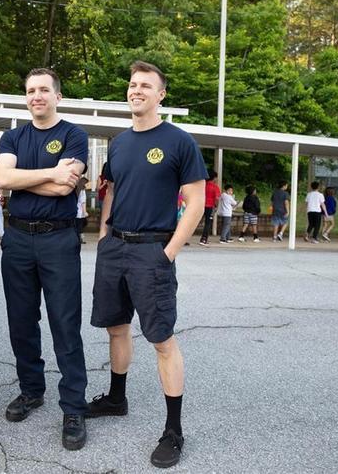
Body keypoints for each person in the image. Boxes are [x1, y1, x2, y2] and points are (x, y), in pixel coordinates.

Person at [86, 61, 206, 469]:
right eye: (133, 85)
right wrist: (104, 234)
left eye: (145, 86)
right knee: (116, 327)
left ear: (161, 95)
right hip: (114, 248)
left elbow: (196, 203)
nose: (136, 90)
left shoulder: (178, 142)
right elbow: (112, 190)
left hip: (152, 251)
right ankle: (116, 398)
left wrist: (168, 252)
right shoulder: (118, 143)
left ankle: (174, 430)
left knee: (161, 340)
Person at [0, 68, 89, 451]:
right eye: (31, 90)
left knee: (65, 324)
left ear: (57, 96)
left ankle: (73, 407)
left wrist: (23, 178)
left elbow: (68, 185)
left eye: (44, 90)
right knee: (21, 322)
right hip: (17, 239)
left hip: (58, 239)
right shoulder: (13, 136)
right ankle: (32, 390)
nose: (37, 96)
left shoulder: (73, 135)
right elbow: (2, 178)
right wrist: (50, 175)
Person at [198, 170, 220, 246]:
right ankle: (204, 239)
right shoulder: (215, 187)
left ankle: (185, 238)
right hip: (210, 207)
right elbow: (217, 198)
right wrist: (216, 206)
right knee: (208, 223)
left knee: (195, 222)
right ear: (214, 178)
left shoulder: (203, 185)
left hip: (201, 205)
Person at [75, 177, 90, 244]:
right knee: (80, 226)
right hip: (79, 212)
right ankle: (80, 239)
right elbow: (83, 202)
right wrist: (85, 212)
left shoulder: (75, 188)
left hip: (73, 211)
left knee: (75, 226)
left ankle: (76, 238)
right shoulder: (82, 190)